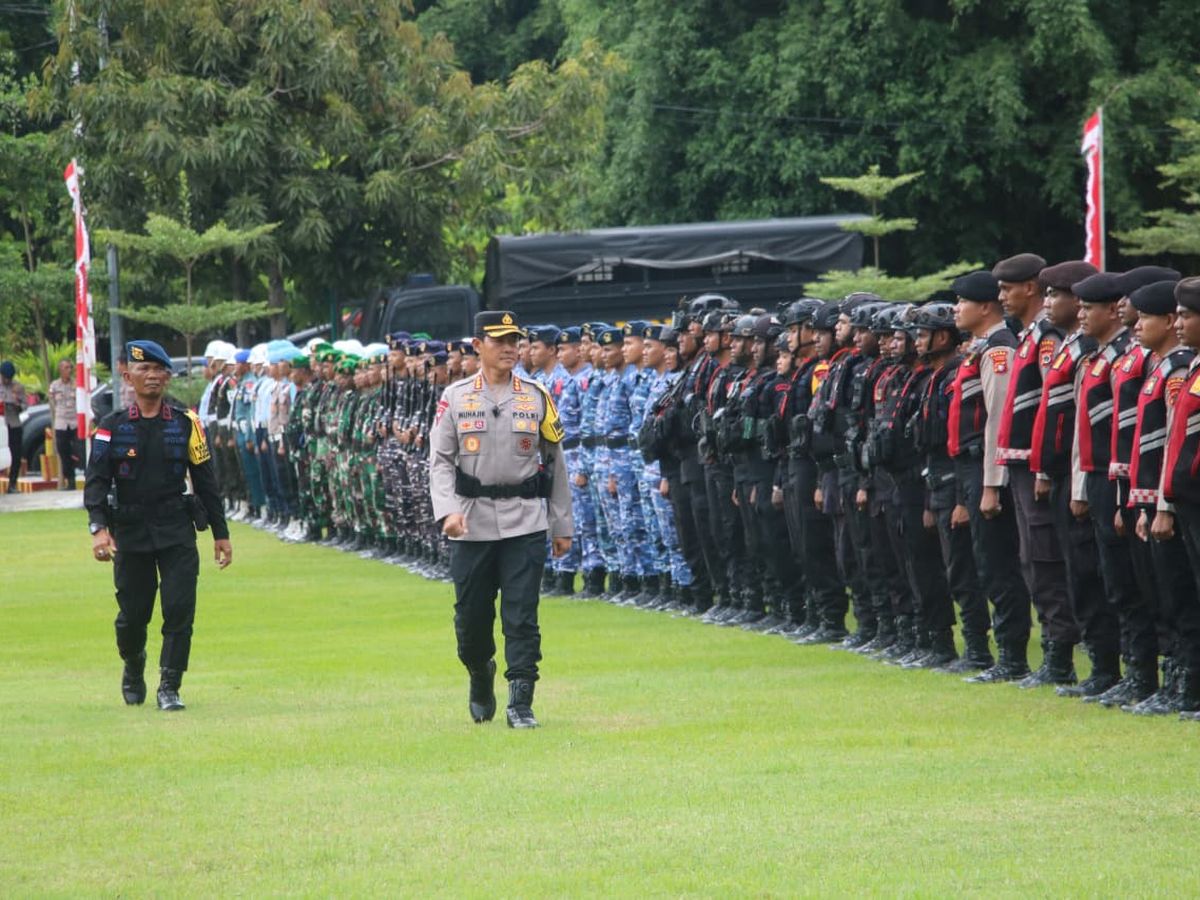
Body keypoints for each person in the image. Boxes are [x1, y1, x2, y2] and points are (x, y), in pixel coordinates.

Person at [428, 311, 573, 728]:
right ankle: (479, 671)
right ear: (478, 346)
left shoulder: (535, 395)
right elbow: (439, 462)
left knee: (522, 614)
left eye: (515, 340)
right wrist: (448, 511)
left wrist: (561, 524)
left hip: (525, 520)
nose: (511, 347)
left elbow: (554, 461)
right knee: (471, 620)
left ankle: (521, 701)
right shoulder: (455, 397)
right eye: (500, 340)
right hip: (470, 523)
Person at [84, 340, 232, 711]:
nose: (151, 376)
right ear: (128, 376)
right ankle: (134, 665)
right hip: (130, 532)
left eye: (158, 370)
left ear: (167, 376)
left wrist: (221, 533)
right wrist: (98, 528)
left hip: (176, 528)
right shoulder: (111, 427)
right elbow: (97, 481)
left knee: (180, 607)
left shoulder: (187, 424)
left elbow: (206, 480)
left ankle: (170, 685)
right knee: (133, 616)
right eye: (143, 370)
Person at [49, 358, 83, 490]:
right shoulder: (54, 385)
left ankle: (83, 472)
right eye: (66, 368)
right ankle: (70, 480)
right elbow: (52, 403)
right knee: (63, 451)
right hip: (61, 422)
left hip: (75, 422)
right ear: (60, 370)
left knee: (79, 450)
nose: (69, 370)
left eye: (70, 367)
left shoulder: (76, 384)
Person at [1, 360, 28, 492]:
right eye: (5, 377)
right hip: (1, 424)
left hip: (13, 423)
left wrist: (16, 404)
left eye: (9, 378)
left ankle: (12, 483)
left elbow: (25, 406)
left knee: (15, 455)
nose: (7, 380)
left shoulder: (18, 387)